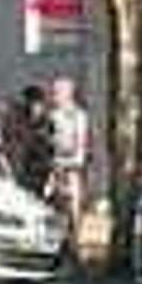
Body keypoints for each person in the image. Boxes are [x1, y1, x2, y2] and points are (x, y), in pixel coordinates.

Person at [47, 75, 90, 250]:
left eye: (62, 92)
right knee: (52, 203)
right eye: (57, 92)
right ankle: (57, 242)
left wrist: (74, 162)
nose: (58, 96)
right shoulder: (53, 116)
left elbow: (82, 143)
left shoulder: (80, 116)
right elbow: (48, 142)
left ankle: (74, 244)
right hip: (55, 167)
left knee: (75, 207)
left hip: (73, 169)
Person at [1, 84, 53, 197]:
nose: (40, 108)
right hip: (24, 166)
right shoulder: (17, 119)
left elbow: (49, 142)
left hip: (39, 166)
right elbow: (12, 144)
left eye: (41, 104)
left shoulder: (45, 121)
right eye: (37, 104)